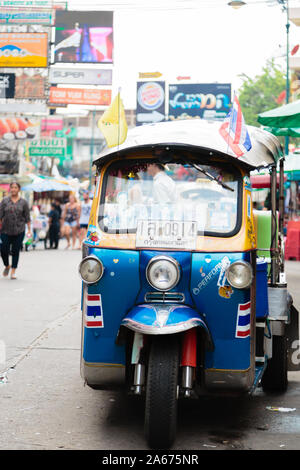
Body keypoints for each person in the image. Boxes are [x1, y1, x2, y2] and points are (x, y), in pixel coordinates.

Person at [0, 182, 31, 279]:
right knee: (3, 249)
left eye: (15, 187)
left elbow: (27, 217)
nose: (13, 189)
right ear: (10, 189)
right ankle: (7, 265)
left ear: (19, 189)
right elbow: (0, 215)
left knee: (15, 250)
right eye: (12, 187)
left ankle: (13, 270)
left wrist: (29, 230)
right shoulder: (4, 201)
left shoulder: (24, 202)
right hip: (5, 230)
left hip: (19, 230)